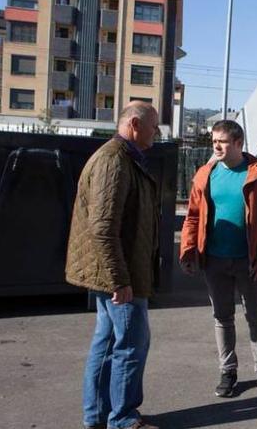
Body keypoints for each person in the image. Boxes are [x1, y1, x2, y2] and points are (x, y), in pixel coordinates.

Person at [65, 101, 161, 429]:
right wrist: (120, 279)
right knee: (132, 344)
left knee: (107, 342)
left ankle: (98, 416)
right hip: (119, 274)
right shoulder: (114, 161)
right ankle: (122, 419)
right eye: (153, 126)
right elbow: (103, 227)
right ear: (134, 124)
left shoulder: (122, 158)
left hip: (115, 271)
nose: (157, 132)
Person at [179, 119, 257, 398]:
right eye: (214, 140)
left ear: (238, 143)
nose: (216, 145)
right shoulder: (205, 174)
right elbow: (192, 217)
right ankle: (228, 371)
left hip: (249, 262)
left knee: (256, 316)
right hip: (214, 260)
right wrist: (188, 251)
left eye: (222, 141)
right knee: (222, 317)